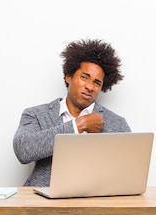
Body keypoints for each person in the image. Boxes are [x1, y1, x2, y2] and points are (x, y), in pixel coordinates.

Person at [13, 39, 131, 186]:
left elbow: (128, 172)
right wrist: (79, 125)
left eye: (97, 83)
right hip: (43, 202)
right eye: (84, 77)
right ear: (68, 77)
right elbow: (23, 150)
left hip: (94, 203)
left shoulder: (117, 124)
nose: (89, 86)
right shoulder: (36, 114)